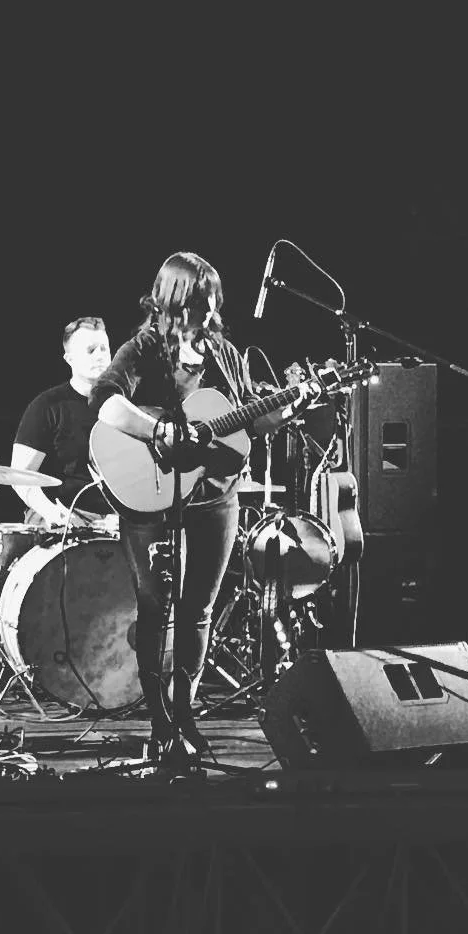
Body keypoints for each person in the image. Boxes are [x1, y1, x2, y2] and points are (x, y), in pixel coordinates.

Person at [91, 252, 316, 764]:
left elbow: (249, 420)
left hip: (216, 495)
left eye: (214, 299)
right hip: (152, 500)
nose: (211, 309)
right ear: (173, 300)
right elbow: (105, 401)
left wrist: (289, 406)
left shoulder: (225, 354)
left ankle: (184, 714)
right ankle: (159, 724)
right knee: (155, 608)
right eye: (200, 301)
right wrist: (159, 431)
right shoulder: (145, 348)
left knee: (199, 610)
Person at [10, 316, 116, 529]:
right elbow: (19, 475)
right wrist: (50, 511)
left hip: (114, 521)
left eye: (104, 349)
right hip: (62, 516)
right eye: (90, 350)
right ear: (70, 359)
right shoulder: (47, 406)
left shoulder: (121, 406)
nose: (100, 356)